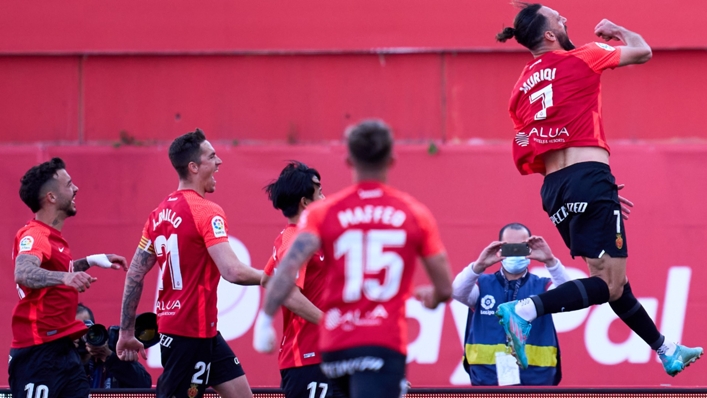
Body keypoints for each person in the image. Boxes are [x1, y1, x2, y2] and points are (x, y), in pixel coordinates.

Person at [494, 3, 703, 376]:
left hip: (555, 188)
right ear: (549, 35)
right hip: (587, 179)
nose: (565, 20)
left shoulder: (519, 87)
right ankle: (524, 310)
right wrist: (617, 28)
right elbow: (643, 51)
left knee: (610, 284)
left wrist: (586, 187)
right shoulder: (584, 55)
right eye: (558, 18)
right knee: (609, 283)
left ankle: (666, 349)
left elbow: (528, 140)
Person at [253, 120, 453, 398]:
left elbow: (283, 273)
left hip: (336, 347)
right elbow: (445, 288)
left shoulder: (323, 214)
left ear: (348, 160)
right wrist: (432, 298)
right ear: (392, 159)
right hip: (381, 343)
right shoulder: (413, 212)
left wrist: (264, 321)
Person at [116, 129, 263, 398]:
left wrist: (126, 331)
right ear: (194, 167)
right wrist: (275, 277)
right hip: (189, 334)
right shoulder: (206, 210)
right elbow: (232, 271)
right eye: (212, 157)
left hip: (197, 331)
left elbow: (134, 275)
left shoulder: (157, 215)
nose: (219, 162)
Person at [10, 157, 128, 398]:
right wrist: (65, 277)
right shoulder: (35, 234)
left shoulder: (53, 239)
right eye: (69, 184)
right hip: (38, 353)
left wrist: (92, 261)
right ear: (51, 197)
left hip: (64, 351)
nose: (76, 188)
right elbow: (23, 272)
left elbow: (58, 269)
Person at [262, 161, 345, 398]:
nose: (325, 196)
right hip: (307, 362)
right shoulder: (293, 241)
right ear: (305, 202)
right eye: (319, 192)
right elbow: (288, 293)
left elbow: (267, 279)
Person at [453, 223, 570, 386]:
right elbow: (457, 291)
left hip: (536, 379)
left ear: (529, 249)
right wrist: (479, 265)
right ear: (499, 248)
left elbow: (570, 296)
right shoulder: (481, 285)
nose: (515, 253)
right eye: (509, 247)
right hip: (488, 377)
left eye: (521, 247)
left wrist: (551, 261)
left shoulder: (543, 286)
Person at [75, 303, 152, 388]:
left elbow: (144, 384)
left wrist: (109, 357)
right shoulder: (60, 361)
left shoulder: (110, 355)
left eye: (84, 329)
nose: (80, 335)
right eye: (75, 330)